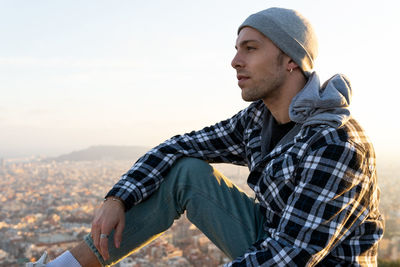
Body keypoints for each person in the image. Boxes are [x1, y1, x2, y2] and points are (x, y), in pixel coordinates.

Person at [27, 7, 384, 267]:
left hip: (307, 261)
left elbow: (290, 257)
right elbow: (178, 147)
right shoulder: (258, 120)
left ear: (290, 59)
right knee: (187, 171)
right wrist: (117, 198)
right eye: (237, 48)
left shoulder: (335, 143)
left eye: (250, 48)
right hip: (272, 242)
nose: (234, 61)